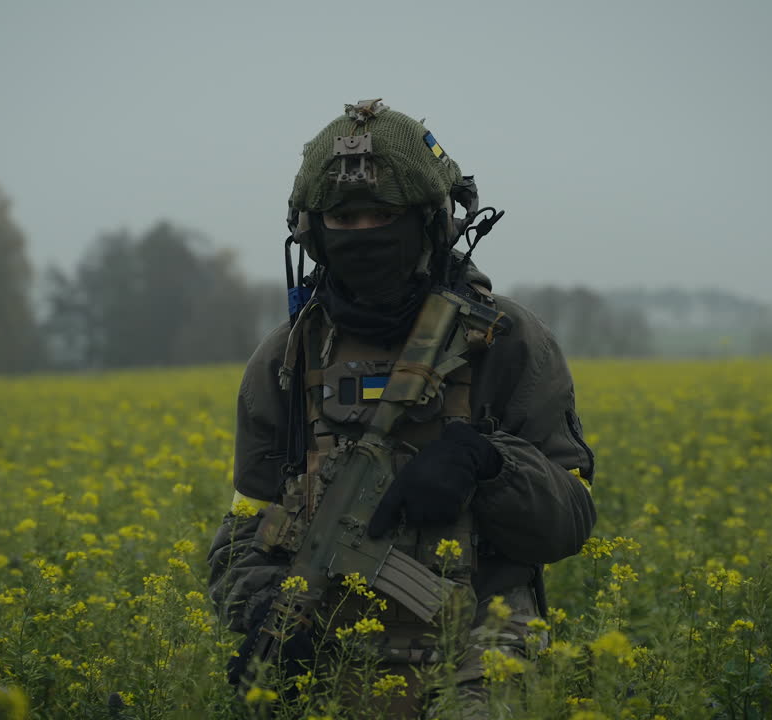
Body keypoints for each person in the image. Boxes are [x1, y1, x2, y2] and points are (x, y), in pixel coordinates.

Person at [207, 99, 597, 718]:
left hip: (479, 651)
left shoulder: (505, 339)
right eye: (344, 217)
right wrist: (261, 611)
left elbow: (570, 519)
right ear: (312, 231)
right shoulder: (287, 357)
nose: (364, 234)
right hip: (334, 656)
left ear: (431, 222)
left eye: (383, 214)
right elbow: (242, 534)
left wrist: (490, 464)